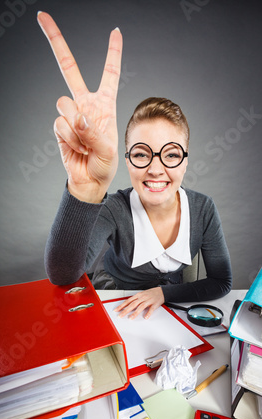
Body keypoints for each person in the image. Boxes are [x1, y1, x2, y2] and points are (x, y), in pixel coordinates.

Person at [38, 12, 232, 320]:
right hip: (116, 303)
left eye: (170, 154)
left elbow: (222, 282)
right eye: (142, 154)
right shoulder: (115, 209)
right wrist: (84, 190)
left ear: (185, 161)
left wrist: (163, 294)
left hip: (170, 308)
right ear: (127, 159)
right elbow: (63, 276)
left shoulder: (204, 209)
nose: (156, 169)